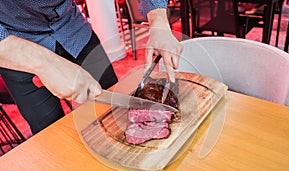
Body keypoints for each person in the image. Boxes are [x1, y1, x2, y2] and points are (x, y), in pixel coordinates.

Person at [0, 0, 183, 135]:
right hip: (15, 45)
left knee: (114, 110)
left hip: (73, 28)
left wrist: (158, 20)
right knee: (49, 131)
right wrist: (42, 62)